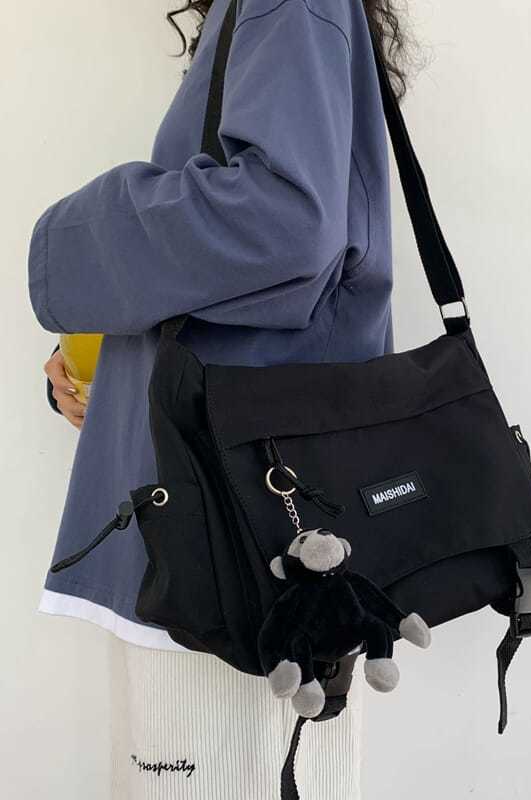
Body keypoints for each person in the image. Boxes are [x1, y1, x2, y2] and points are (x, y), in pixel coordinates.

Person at [30, 0, 408, 796]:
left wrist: (72, 239)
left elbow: (282, 224)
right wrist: (100, 368)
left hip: (232, 548)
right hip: (229, 525)